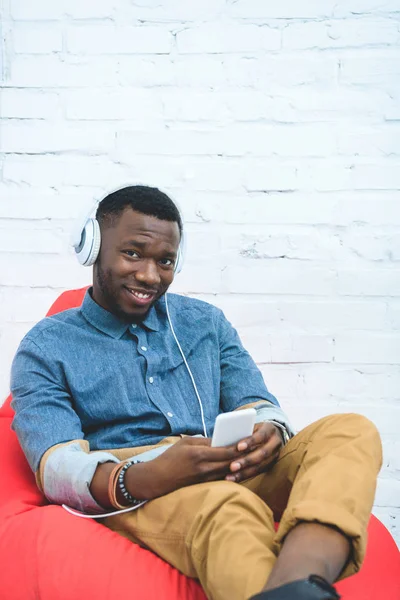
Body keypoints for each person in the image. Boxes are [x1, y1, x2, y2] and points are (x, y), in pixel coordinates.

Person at [10, 185, 382, 600]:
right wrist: (149, 474)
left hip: (226, 460)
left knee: (351, 430)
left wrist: (268, 432)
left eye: (165, 261)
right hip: (141, 488)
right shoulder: (45, 347)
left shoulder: (205, 323)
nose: (150, 276)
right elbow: (57, 467)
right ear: (93, 246)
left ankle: (298, 585)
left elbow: (258, 404)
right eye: (133, 253)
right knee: (224, 506)